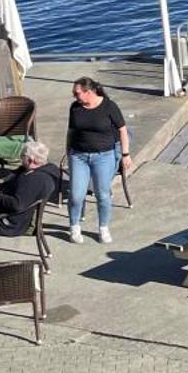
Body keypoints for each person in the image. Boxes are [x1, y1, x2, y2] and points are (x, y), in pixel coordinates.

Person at [65, 76, 131, 246]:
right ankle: (74, 226)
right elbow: (71, 131)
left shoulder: (109, 106)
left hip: (104, 156)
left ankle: (103, 227)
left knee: (102, 194)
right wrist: (68, 151)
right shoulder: (75, 108)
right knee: (76, 195)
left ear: (89, 92)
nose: (75, 96)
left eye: (77, 93)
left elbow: (122, 130)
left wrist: (125, 154)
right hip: (78, 155)